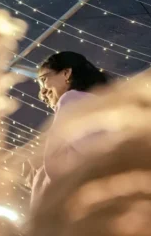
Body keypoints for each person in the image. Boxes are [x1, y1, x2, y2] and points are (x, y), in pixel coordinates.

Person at [30, 51, 110, 207]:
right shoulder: (96, 104)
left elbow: (96, 159)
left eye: (44, 79)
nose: (42, 93)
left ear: (66, 73)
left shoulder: (72, 99)